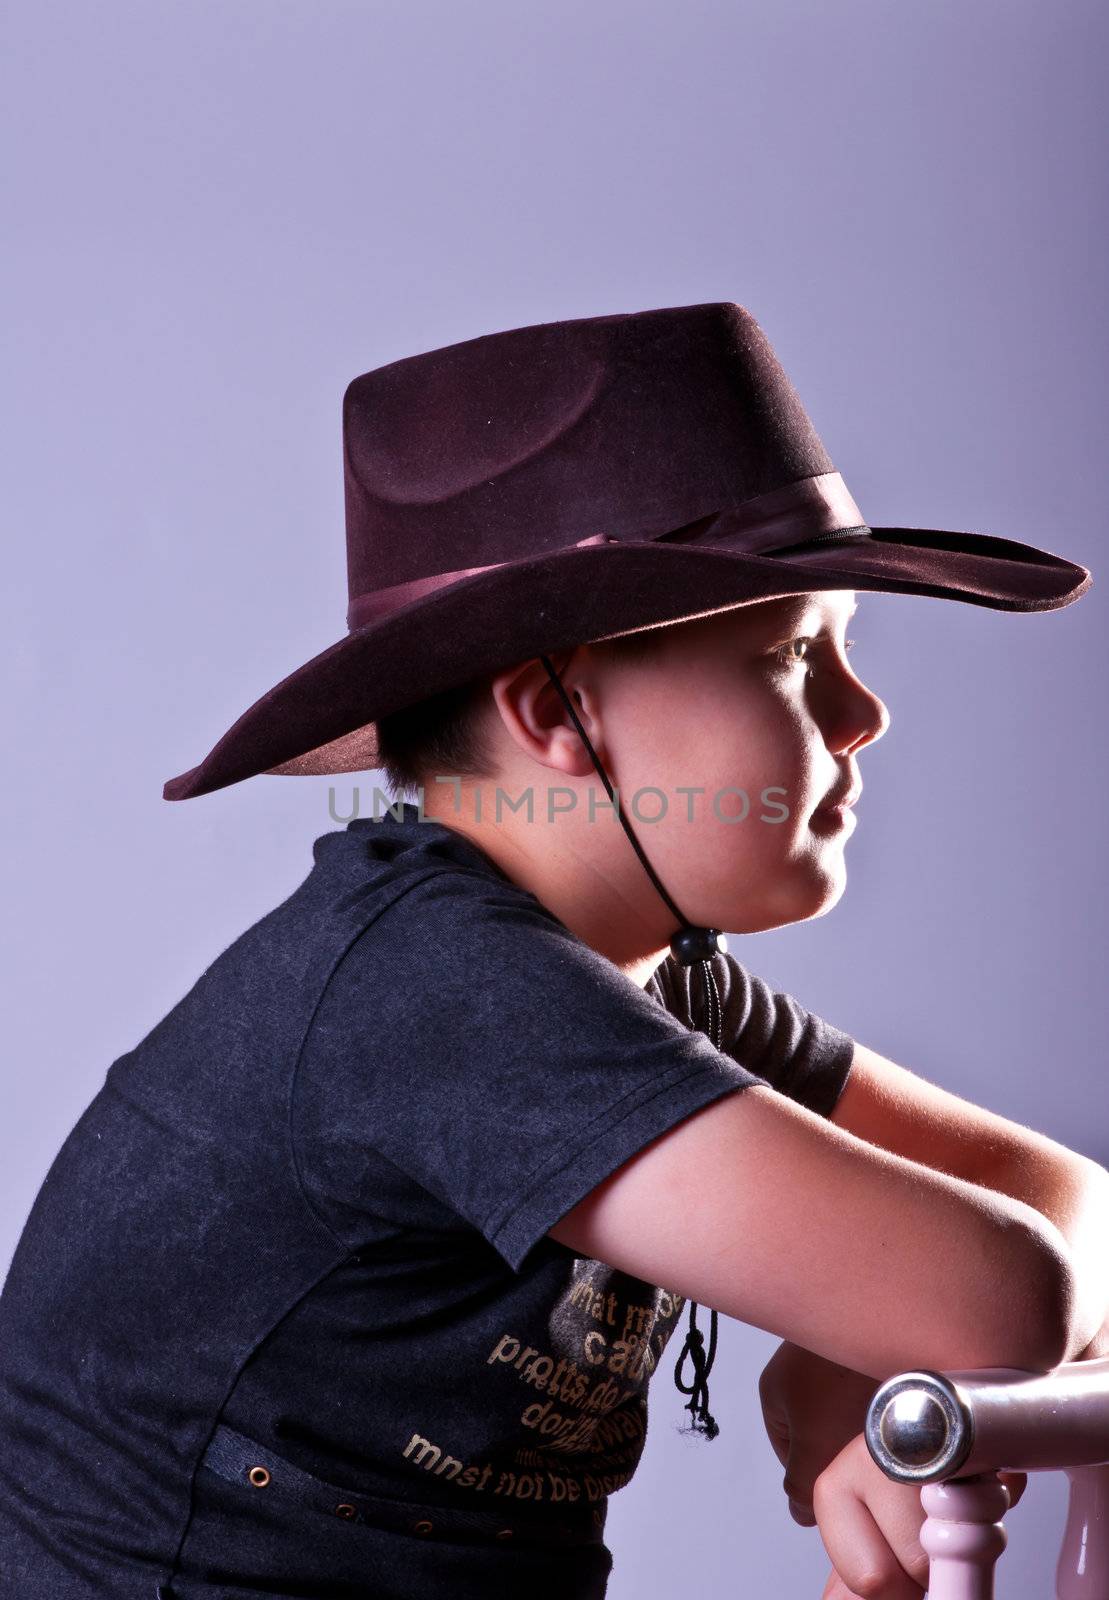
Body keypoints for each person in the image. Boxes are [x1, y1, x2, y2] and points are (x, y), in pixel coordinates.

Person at [1, 301, 1106, 1600]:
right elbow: (1003, 1299)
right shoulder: (442, 992)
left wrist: (867, 1350)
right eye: (791, 654)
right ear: (551, 708)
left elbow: (1068, 1203)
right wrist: (891, 1327)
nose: (861, 714)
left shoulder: (636, 974)